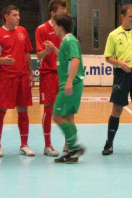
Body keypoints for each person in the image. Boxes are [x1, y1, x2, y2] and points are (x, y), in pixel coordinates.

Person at [102, 4, 132, 156]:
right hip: (121, 73)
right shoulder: (113, 35)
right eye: (130, 16)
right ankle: (109, 144)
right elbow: (108, 57)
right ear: (122, 16)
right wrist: (120, 64)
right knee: (117, 109)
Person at [0, 5, 35, 157]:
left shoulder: (23, 31)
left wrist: (30, 73)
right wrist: (2, 60)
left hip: (22, 77)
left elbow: (27, 53)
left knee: (23, 110)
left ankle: (24, 145)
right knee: (1, 111)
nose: (18, 17)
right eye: (15, 15)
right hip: (5, 78)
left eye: (18, 15)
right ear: (6, 16)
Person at [35, 0, 68, 157]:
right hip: (48, 74)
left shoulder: (64, 30)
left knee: (67, 109)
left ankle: (68, 143)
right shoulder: (41, 29)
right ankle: (48, 145)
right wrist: (48, 50)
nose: (65, 15)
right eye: (62, 13)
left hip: (63, 74)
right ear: (53, 13)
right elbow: (39, 55)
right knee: (49, 108)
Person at [51, 13, 85, 163]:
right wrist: (54, 49)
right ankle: (72, 152)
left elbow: (75, 60)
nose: (53, 28)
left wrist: (70, 81)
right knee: (69, 117)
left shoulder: (70, 40)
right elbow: (67, 58)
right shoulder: (66, 41)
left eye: (55, 25)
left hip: (70, 83)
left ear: (60, 26)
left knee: (57, 116)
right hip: (70, 82)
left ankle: (75, 146)